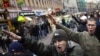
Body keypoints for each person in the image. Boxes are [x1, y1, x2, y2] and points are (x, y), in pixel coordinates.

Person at [2, 29, 84, 56]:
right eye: (55, 42)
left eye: (60, 41)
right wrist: (21, 39)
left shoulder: (78, 50)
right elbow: (37, 46)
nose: (57, 44)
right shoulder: (52, 50)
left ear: (66, 40)